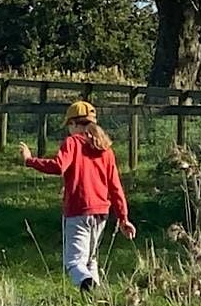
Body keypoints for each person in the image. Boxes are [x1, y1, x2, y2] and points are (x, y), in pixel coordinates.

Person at [18, 100, 136, 292]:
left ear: (73, 124)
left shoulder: (72, 142)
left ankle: (88, 286)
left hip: (78, 211)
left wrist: (30, 160)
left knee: (73, 263)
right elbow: (115, 187)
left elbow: (58, 166)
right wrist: (123, 218)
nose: (68, 130)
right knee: (90, 260)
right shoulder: (105, 149)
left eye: (69, 126)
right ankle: (96, 299)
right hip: (101, 213)